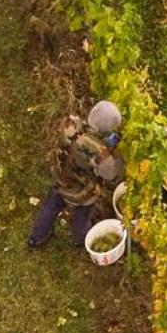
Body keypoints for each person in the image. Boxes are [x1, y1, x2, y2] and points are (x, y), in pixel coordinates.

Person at [26, 100, 124, 250]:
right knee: (82, 216)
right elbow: (109, 174)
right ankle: (80, 239)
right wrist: (117, 157)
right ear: (106, 130)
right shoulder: (100, 152)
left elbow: (79, 146)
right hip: (80, 190)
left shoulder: (72, 122)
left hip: (60, 176)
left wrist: (102, 143)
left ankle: (36, 237)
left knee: (51, 207)